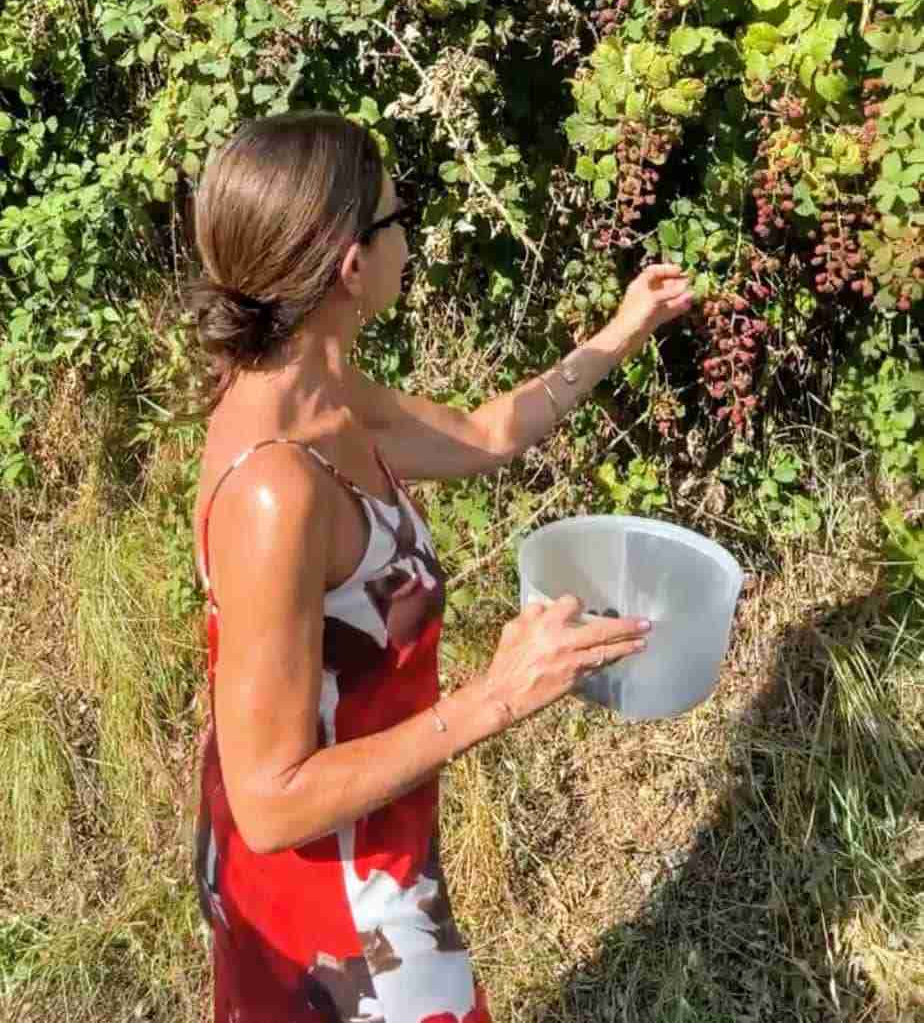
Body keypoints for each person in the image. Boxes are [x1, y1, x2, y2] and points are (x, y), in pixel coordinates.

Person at [189, 110, 693, 1023]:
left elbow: (484, 436)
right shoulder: (275, 488)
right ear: (352, 264)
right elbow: (270, 803)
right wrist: (502, 693)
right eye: (396, 214)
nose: (408, 232)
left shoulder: (322, 396)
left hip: (378, 859)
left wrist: (623, 330)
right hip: (336, 912)